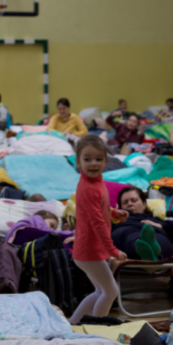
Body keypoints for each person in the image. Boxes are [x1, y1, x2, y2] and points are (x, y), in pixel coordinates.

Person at [68, 135, 129, 324]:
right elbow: (97, 224)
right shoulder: (88, 188)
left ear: (106, 160)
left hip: (88, 251)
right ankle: (96, 328)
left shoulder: (97, 181)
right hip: (88, 251)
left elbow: (99, 210)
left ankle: (73, 324)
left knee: (101, 291)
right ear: (78, 162)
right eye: (87, 159)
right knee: (110, 291)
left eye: (99, 159)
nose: (94, 164)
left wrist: (113, 213)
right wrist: (112, 250)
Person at [113, 186, 173, 261]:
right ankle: (148, 253)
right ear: (120, 208)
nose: (129, 204)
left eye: (134, 200)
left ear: (144, 205)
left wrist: (161, 225)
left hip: (154, 234)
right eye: (125, 202)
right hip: (127, 232)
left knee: (155, 239)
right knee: (133, 238)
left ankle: (150, 252)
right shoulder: (115, 220)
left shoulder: (155, 219)